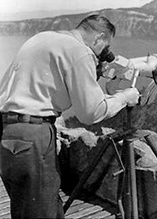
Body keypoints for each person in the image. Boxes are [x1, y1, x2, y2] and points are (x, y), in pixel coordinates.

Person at [0, 14, 140, 218]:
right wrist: (125, 97)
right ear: (99, 38)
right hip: (33, 137)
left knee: (31, 209)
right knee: (41, 212)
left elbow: (35, 90)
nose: (102, 54)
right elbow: (92, 112)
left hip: (7, 133)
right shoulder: (79, 51)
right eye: (104, 48)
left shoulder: (42, 38)